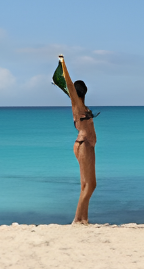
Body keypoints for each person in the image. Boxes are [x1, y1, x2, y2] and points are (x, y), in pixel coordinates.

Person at [58, 55, 96, 224]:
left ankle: (82, 219)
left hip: (87, 145)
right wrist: (63, 64)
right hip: (83, 144)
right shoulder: (77, 105)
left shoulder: (83, 106)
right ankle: (78, 219)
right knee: (90, 185)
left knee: (86, 185)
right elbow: (69, 85)